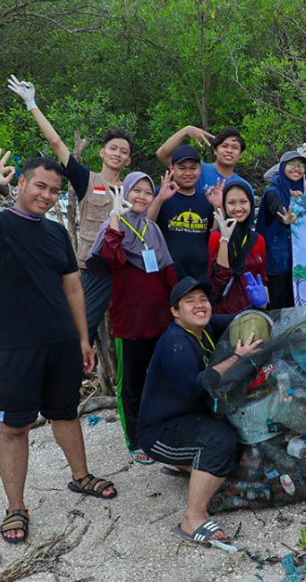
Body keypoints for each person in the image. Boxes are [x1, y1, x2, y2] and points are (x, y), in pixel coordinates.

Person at [0, 152, 117, 545]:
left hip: (61, 341)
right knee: (14, 427)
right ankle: (15, 507)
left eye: (55, 190)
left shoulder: (56, 232)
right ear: (20, 183)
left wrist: (83, 338)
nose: (47, 195)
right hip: (14, 345)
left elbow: (72, 286)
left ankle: (80, 476)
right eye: (40, 186)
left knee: (65, 413)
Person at [8, 75, 134, 344]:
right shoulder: (87, 179)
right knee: (77, 331)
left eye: (123, 151)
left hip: (124, 271)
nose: (117, 154)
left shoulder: (133, 189)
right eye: (113, 148)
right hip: (93, 269)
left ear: (128, 159)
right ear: (102, 152)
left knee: (124, 335)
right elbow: (56, 144)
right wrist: (32, 104)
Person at [137, 278, 263, 546]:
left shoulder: (205, 328)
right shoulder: (176, 342)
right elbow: (193, 388)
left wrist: (258, 306)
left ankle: (193, 469)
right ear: (175, 311)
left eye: (203, 299)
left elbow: (242, 321)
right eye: (189, 301)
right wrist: (235, 359)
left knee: (241, 438)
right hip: (159, 432)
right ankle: (192, 518)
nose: (199, 305)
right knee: (222, 440)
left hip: (189, 420)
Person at [87, 172, 177, 464]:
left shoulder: (153, 229)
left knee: (159, 379)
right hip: (130, 320)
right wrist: (115, 217)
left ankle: (157, 428)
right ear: (124, 193)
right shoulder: (111, 227)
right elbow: (110, 259)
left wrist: (177, 306)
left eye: (147, 192)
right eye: (135, 190)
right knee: (131, 384)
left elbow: (166, 270)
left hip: (160, 318)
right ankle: (134, 438)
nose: (141, 196)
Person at [147, 145, 223, 280]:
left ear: (200, 169)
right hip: (167, 272)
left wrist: (218, 207)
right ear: (171, 168)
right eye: (182, 168)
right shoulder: (161, 195)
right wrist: (159, 199)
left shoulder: (206, 199)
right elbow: (146, 226)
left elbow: (214, 233)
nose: (188, 173)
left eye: (193, 168)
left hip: (201, 274)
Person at [256, 150, 306, 309]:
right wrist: (285, 218)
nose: (297, 168)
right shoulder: (272, 191)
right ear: (282, 167)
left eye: (301, 165)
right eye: (292, 164)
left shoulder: (302, 192)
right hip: (276, 265)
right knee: (279, 308)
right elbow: (276, 207)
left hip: (297, 262)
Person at [207, 179, 269, 314]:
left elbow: (262, 279)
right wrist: (224, 240)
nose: (238, 208)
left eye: (243, 202)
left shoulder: (258, 240)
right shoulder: (216, 237)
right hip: (223, 312)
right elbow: (218, 278)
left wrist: (264, 305)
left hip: (252, 310)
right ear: (224, 205)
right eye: (231, 203)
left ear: (251, 204)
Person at [156, 125, 248, 192]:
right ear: (215, 150)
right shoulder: (197, 169)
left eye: (235, 147)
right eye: (224, 146)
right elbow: (162, 155)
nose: (229, 150)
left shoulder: (244, 186)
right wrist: (186, 131)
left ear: (240, 155)